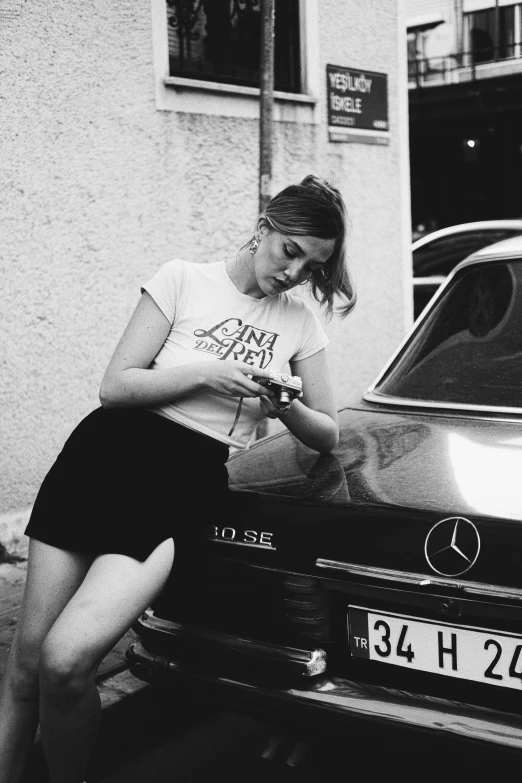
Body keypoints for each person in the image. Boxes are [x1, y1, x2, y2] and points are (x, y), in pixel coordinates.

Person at [0, 174, 355, 783]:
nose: (295, 272)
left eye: (312, 265)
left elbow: (327, 432)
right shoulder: (183, 278)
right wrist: (208, 374)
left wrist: (284, 404)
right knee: (29, 665)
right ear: (263, 227)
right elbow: (117, 386)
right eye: (289, 250)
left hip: (180, 483)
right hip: (101, 460)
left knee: (67, 661)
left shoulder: (299, 323)